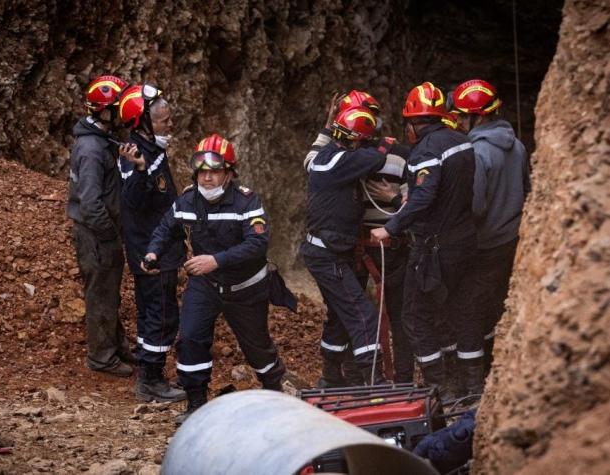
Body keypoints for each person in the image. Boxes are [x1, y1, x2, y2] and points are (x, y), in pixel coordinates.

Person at [144, 134, 286, 424]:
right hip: (205, 284)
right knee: (191, 339)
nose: (207, 178)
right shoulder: (187, 200)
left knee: (257, 346)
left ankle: (276, 394)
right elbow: (165, 228)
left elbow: (257, 244)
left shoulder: (247, 202)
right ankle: (196, 404)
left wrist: (216, 260)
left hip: (245, 287)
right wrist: (152, 253)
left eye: (215, 172)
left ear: (229, 173)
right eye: (202, 172)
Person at [370, 82, 484, 398]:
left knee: (415, 316)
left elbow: (423, 198)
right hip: (466, 241)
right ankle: (471, 388)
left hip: (435, 248)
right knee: (460, 311)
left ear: (413, 123)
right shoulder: (462, 141)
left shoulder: (426, 151)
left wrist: (389, 228)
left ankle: (441, 390)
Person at [304, 91, 415, 385]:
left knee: (343, 316)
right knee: (363, 316)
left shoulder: (324, 157)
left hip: (362, 249)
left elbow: (417, 203)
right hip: (342, 251)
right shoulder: (358, 159)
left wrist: (328, 126)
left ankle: (333, 379)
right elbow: (374, 159)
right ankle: (372, 382)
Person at [452, 79, 530, 375]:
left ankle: (474, 380)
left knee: (470, 308)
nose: (458, 121)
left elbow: (476, 207)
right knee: (498, 306)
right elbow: (526, 190)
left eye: (462, 115)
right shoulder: (518, 146)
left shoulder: (477, 152)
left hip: (484, 244)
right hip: (511, 240)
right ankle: (497, 368)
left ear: (479, 116)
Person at [115, 84, 186, 402]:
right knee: (159, 314)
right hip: (150, 251)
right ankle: (150, 380)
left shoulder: (152, 149)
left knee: (159, 311)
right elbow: (130, 200)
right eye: (163, 121)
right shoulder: (135, 155)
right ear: (143, 123)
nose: (170, 126)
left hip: (162, 246)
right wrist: (142, 170)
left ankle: (152, 374)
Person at [66, 75, 134, 377]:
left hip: (100, 231)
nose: (122, 113)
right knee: (101, 294)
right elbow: (90, 202)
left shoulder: (102, 141)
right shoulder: (92, 149)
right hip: (96, 234)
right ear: (102, 110)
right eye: (117, 108)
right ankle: (102, 357)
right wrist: (109, 235)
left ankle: (115, 345)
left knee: (109, 291)